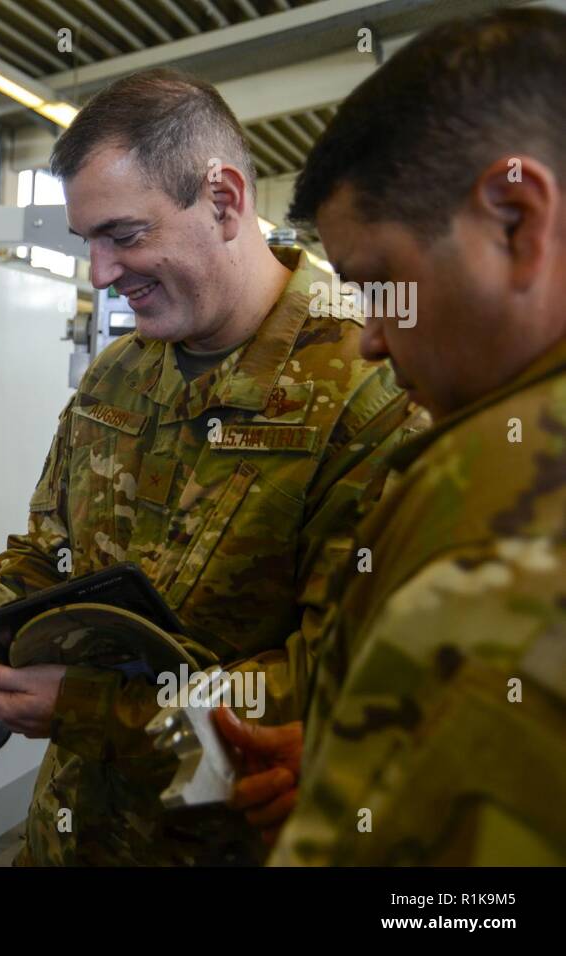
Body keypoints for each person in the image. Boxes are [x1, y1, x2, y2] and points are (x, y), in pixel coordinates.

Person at [0, 68, 426, 865]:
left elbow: (337, 680)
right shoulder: (118, 375)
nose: (100, 273)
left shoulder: (366, 393)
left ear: (226, 201)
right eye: (88, 242)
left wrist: (95, 708)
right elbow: (48, 557)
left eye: (124, 236)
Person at [228, 7, 566, 865]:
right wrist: (372, 758)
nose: (373, 335)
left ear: (515, 221)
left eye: (379, 284)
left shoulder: (489, 517)